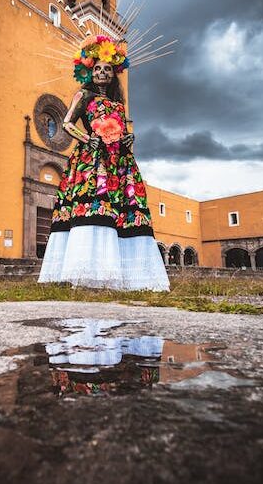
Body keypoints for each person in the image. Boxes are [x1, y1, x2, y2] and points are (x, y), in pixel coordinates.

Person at [38, 35, 169, 292]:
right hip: (92, 158)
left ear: (113, 74)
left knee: (120, 211)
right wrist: (88, 138)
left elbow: (120, 130)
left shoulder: (118, 104)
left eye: (107, 69)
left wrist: (128, 138)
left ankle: (124, 276)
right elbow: (66, 123)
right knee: (94, 206)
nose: (101, 73)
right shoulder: (83, 96)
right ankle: (85, 273)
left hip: (119, 162)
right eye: (97, 69)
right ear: (90, 72)